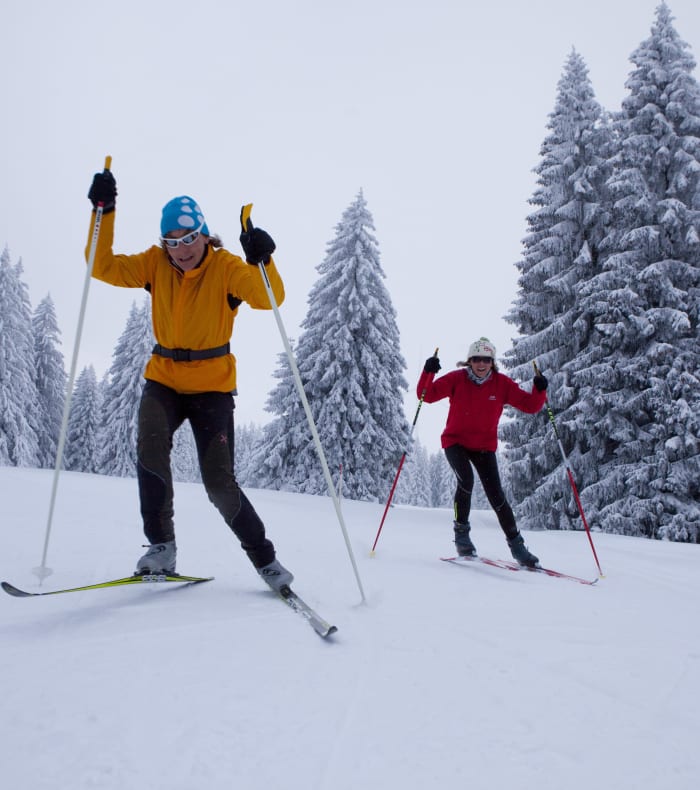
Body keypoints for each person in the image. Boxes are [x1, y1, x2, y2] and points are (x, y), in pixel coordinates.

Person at [85, 167, 294, 592]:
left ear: (204, 234)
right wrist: (102, 213)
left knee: (218, 483)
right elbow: (99, 265)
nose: (180, 250)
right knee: (150, 444)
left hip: (213, 387)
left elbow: (268, 297)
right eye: (172, 242)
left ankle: (266, 561)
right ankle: (161, 546)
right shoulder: (154, 263)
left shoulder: (226, 268)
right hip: (164, 378)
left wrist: (264, 260)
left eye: (188, 239)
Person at [417, 337, 548, 567]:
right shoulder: (457, 379)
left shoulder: (502, 384)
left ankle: (518, 549)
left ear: (492, 362)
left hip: (484, 448)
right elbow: (425, 396)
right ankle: (462, 537)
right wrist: (428, 372)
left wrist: (539, 390)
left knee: (497, 496)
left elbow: (531, 405)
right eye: (476, 359)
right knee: (465, 480)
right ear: (469, 361)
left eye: (486, 360)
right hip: (455, 442)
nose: (481, 364)